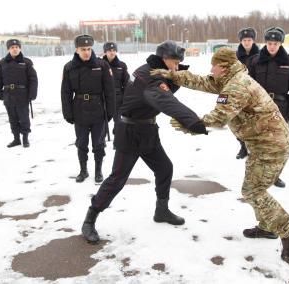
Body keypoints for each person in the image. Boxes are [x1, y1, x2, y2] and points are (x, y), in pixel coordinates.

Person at [151, 48, 289, 261]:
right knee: (255, 188)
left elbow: (220, 116)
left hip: (272, 145)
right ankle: (268, 226)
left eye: (214, 65)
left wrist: (192, 124)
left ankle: (288, 229)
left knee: (253, 191)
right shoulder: (229, 77)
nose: (211, 69)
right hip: (262, 143)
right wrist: (173, 75)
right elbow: (202, 82)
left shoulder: (237, 86)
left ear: (223, 67)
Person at [81, 40, 208, 244]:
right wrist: (194, 122)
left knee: (165, 168)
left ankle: (162, 211)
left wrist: (183, 73)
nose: (176, 67)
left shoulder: (157, 71)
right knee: (117, 179)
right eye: (174, 62)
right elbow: (166, 100)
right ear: (164, 59)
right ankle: (90, 218)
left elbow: (171, 84)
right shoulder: (148, 77)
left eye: (178, 63)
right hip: (129, 131)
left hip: (148, 130)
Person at [247, 27, 289, 188]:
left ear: (280, 43)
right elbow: (247, 86)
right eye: (270, 43)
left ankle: (274, 176)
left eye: (275, 43)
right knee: (258, 143)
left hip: (281, 108)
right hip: (258, 108)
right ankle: (257, 176)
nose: (272, 46)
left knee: (281, 144)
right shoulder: (254, 61)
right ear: (265, 43)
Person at [61, 35, 115, 183]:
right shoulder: (69, 67)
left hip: (98, 110)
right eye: (83, 49)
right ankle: (83, 170)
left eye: (89, 49)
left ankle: (98, 171)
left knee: (99, 144)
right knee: (81, 143)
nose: (86, 52)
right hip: (79, 110)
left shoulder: (102, 65)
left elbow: (109, 91)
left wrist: (110, 111)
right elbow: (65, 92)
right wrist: (68, 113)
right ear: (77, 50)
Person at [0, 39, 38, 148]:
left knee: (24, 117)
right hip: (8, 94)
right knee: (12, 118)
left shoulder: (26, 62)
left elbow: (33, 79)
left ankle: (25, 138)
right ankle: (16, 139)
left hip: (22, 94)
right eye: (12, 47)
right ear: (8, 49)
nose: (15, 49)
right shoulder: (2, 62)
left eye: (17, 47)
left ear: (20, 48)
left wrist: (32, 94)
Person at [235, 27, 260, 160]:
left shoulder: (261, 54)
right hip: (239, 91)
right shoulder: (235, 56)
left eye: (249, 40)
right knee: (239, 122)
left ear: (253, 40)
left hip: (255, 92)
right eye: (244, 40)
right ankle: (243, 147)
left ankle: (255, 148)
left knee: (256, 122)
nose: (246, 42)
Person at [102, 42, 130, 133]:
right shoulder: (99, 65)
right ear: (105, 52)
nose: (112, 52)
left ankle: (117, 141)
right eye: (109, 50)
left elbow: (126, 83)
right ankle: (101, 140)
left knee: (118, 121)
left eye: (114, 50)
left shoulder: (122, 65)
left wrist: (126, 97)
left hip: (117, 97)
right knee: (102, 121)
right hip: (103, 97)